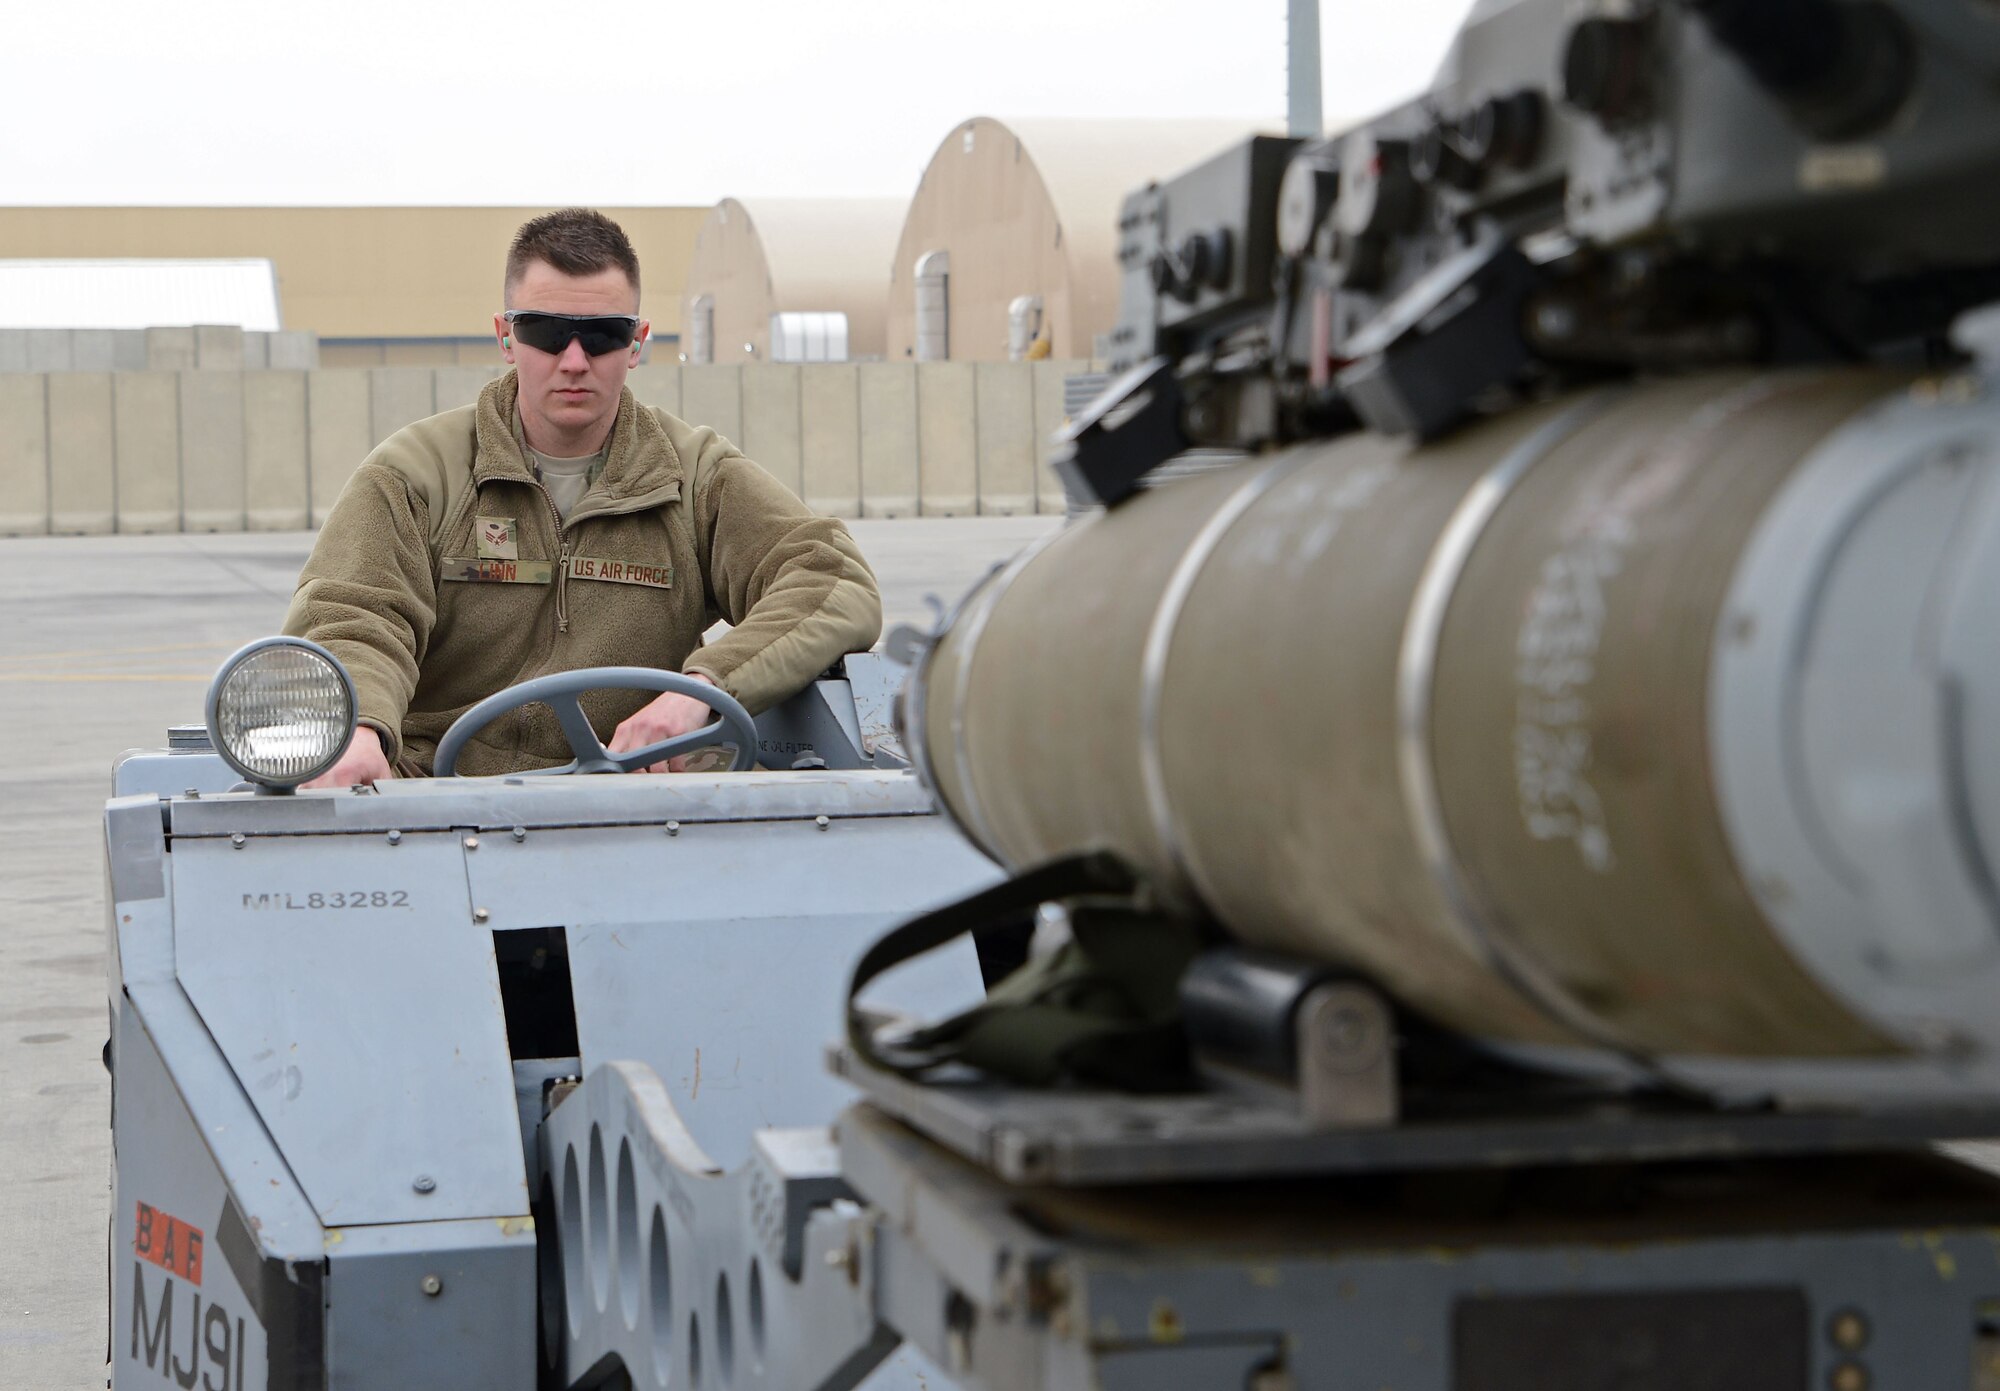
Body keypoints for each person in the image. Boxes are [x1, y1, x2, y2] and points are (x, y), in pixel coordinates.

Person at [284, 208, 882, 784]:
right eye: (546, 332)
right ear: (506, 336)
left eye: (602, 335)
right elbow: (354, 615)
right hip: (437, 789)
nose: (574, 361)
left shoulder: (694, 476)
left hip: (639, 792)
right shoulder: (416, 475)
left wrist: (702, 690)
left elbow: (830, 578)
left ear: (638, 343)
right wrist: (360, 727)